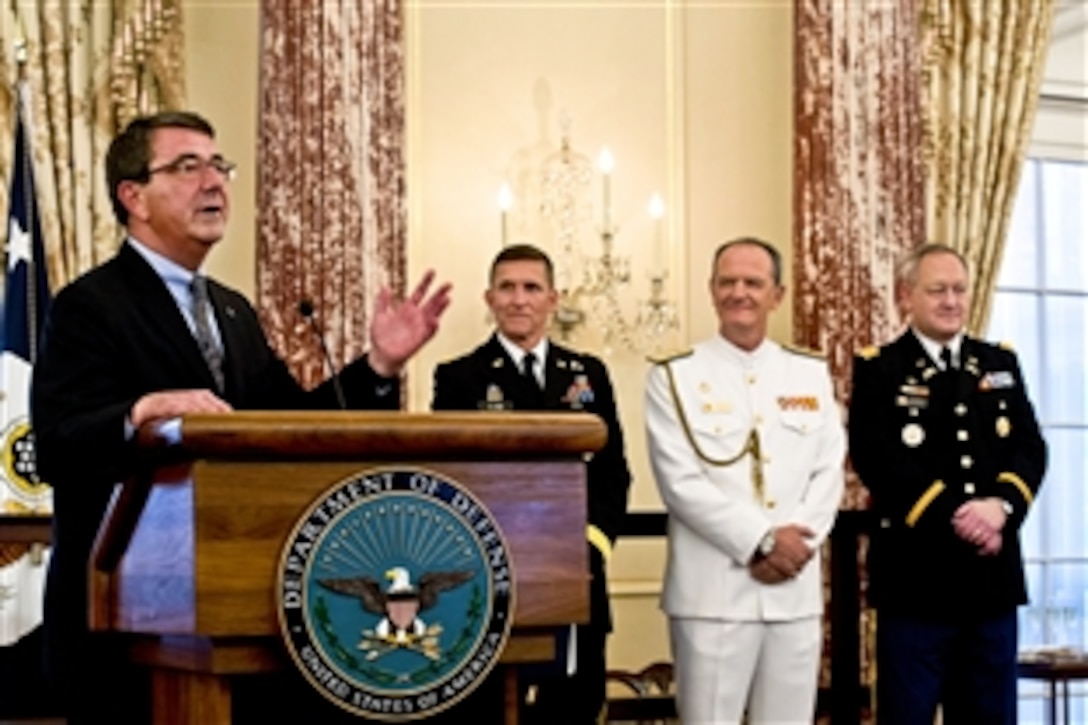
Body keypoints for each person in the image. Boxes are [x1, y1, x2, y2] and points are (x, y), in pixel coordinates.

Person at [29, 110, 451, 724]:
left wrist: (379, 366)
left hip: (232, 621)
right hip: (122, 629)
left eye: (218, 165)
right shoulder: (89, 306)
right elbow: (58, 448)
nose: (215, 181)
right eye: (187, 166)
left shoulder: (232, 313)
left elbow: (296, 427)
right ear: (133, 197)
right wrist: (141, 412)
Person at [645, 237, 845, 724]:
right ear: (711, 291)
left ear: (776, 294)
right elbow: (681, 482)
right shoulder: (675, 375)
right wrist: (760, 541)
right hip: (711, 593)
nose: (740, 293)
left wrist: (796, 544)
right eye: (727, 282)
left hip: (792, 591)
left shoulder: (809, 372)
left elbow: (828, 467)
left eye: (753, 283)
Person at [432, 243, 631, 724]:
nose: (519, 299)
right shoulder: (459, 377)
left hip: (575, 569)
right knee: (492, 708)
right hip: (492, 569)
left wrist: (591, 544)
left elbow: (612, 471)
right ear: (489, 298)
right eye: (507, 288)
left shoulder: (587, 374)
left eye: (531, 288)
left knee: (575, 705)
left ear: (553, 299)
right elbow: (451, 475)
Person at [849, 243, 1046, 724]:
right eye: (937, 290)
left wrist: (1000, 507)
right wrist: (959, 517)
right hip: (917, 584)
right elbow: (879, 458)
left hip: (991, 585)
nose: (951, 301)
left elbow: (1030, 448)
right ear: (906, 295)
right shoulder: (880, 368)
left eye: (959, 289)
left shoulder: (998, 363)